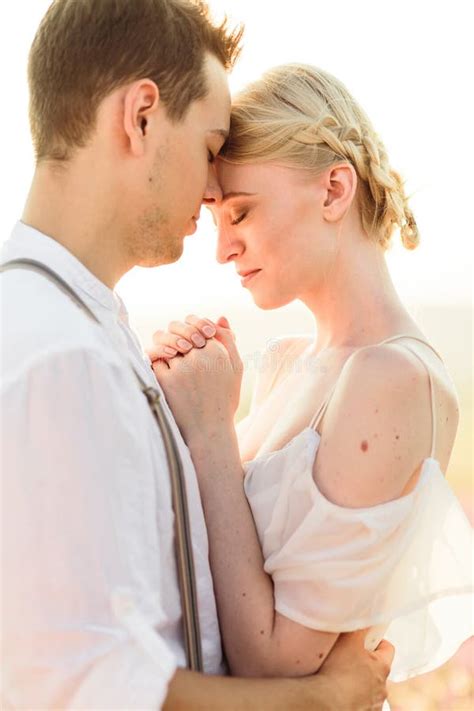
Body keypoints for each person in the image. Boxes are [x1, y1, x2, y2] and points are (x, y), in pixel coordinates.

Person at [0, 2, 394, 709]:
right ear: (141, 115)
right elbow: (92, 686)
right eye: (211, 147)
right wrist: (327, 698)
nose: (212, 186)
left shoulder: (86, 331)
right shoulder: (60, 355)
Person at [150, 64, 473, 685]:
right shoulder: (287, 361)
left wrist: (212, 429)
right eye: (216, 218)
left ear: (333, 191)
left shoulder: (392, 377)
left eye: (240, 213)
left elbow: (276, 660)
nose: (222, 249)